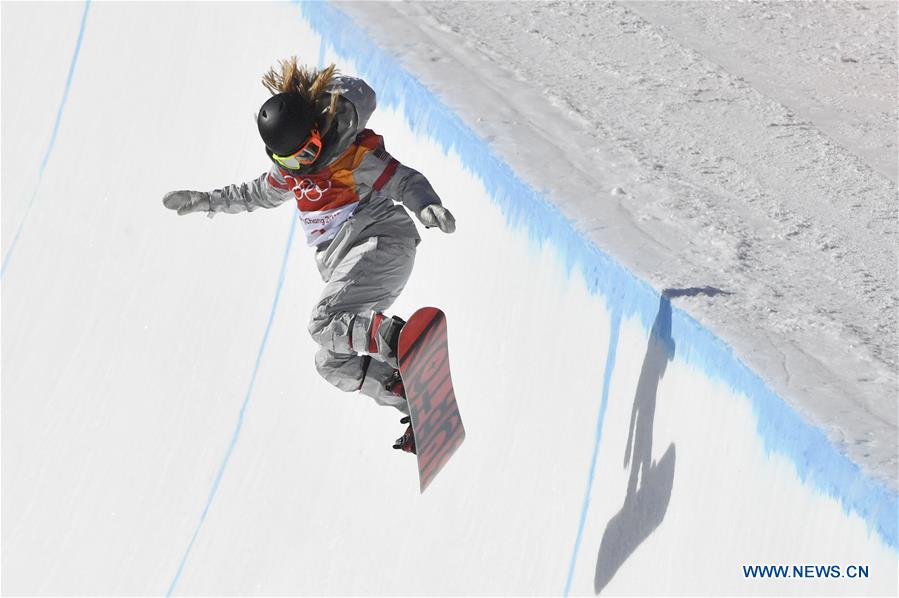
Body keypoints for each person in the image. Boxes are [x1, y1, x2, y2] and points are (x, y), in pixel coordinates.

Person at [162, 58, 456, 453]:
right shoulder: (291, 172)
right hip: (355, 264)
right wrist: (207, 201)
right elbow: (253, 194)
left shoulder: (349, 157)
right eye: (290, 160)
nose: (303, 165)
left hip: (380, 242)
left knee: (323, 322)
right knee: (330, 362)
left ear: (319, 134)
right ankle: (413, 402)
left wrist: (426, 205)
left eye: (309, 152)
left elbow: (404, 180)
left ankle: (396, 339)